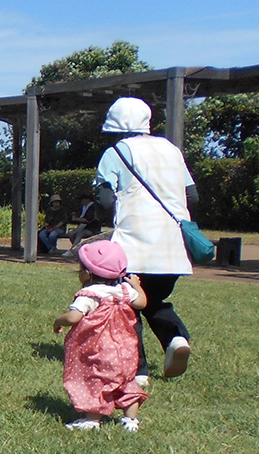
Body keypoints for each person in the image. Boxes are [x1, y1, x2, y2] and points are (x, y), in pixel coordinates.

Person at [94, 96, 198, 383]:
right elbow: (193, 196)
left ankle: (138, 370)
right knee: (154, 300)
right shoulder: (171, 149)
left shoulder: (115, 153)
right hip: (174, 246)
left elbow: (104, 199)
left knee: (128, 305)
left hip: (134, 244)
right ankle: (176, 340)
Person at [53, 240, 149, 432]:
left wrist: (57, 321)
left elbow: (73, 317)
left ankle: (92, 419)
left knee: (95, 381)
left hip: (98, 350)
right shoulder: (124, 291)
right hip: (125, 349)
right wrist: (137, 285)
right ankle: (130, 420)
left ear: (87, 274)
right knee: (126, 380)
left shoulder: (90, 294)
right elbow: (142, 303)